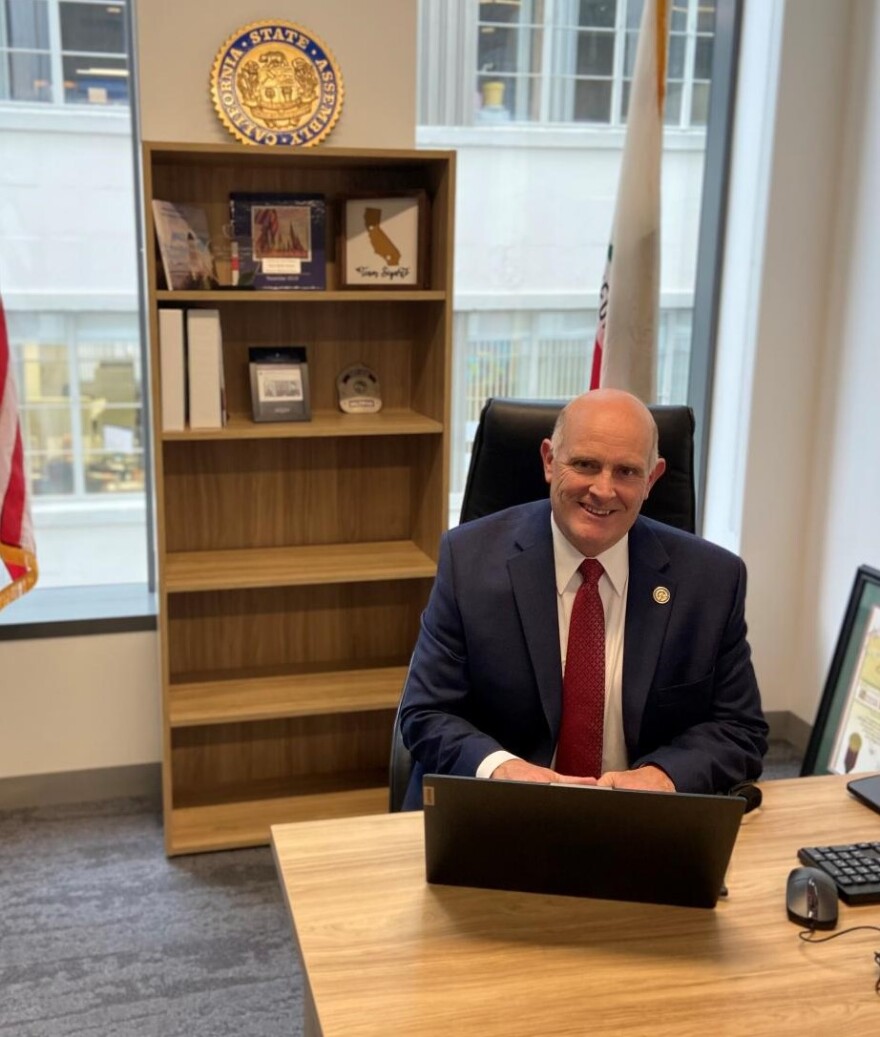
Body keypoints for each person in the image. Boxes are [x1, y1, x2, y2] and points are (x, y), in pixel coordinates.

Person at [399, 388, 768, 809]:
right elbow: (426, 713)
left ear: (652, 479)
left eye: (627, 471)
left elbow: (739, 728)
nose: (603, 490)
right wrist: (501, 768)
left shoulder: (711, 580)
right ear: (549, 461)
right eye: (586, 464)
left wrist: (664, 776)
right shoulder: (469, 561)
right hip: (502, 809)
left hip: (642, 819)